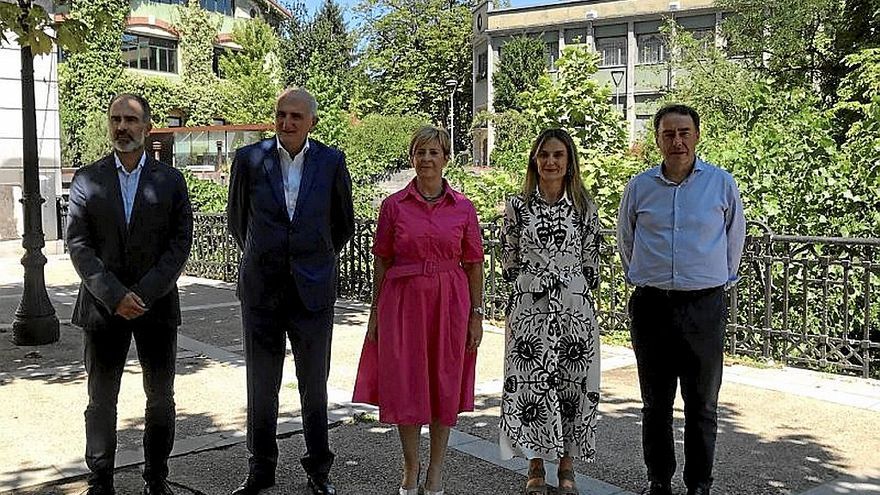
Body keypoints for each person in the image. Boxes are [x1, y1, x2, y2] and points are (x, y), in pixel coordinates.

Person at [226, 87, 355, 495]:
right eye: (281, 114)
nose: (286, 123)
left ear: (312, 122)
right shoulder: (249, 159)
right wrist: (265, 258)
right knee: (261, 384)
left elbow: (343, 225)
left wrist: (311, 262)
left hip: (312, 292)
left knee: (313, 386)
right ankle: (260, 468)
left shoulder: (331, 162)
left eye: (296, 116)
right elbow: (236, 221)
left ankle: (319, 470)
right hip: (262, 290)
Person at [66, 93, 193, 495]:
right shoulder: (87, 179)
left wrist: (145, 293)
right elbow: (79, 244)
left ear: (147, 126)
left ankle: (156, 479)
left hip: (155, 307)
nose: (122, 127)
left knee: (160, 399)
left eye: (131, 120)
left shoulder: (170, 181)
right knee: (101, 401)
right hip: (103, 309)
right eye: (116, 119)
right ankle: (100, 481)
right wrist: (114, 294)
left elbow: (179, 242)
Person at [617, 104, 746, 495]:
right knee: (655, 404)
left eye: (684, 132)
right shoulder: (639, 188)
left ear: (697, 136)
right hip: (652, 306)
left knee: (702, 404)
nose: (677, 141)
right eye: (669, 133)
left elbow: (733, 241)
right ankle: (659, 480)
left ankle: (699, 484)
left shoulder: (721, 184)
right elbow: (627, 240)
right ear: (657, 139)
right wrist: (648, 276)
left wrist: (712, 280)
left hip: (703, 307)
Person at [352, 126, 484, 495]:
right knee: (406, 383)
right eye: (420, 152)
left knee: (445, 382)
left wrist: (476, 313)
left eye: (433, 152)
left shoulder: (463, 207)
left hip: (450, 302)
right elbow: (381, 259)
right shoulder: (393, 205)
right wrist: (376, 310)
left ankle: (436, 470)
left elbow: (474, 263)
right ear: (412, 158)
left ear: (446, 158)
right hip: (403, 302)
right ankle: (411, 467)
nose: (426, 159)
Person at [499, 128, 602, 495]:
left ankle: (568, 467)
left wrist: (575, 292)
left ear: (569, 161)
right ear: (534, 160)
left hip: (574, 307)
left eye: (558, 155)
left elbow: (593, 260)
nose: (551, 162)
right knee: (533, 385)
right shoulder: (517, 205)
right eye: (544, 155)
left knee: (573, 384)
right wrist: (528, 288)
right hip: (531, 307)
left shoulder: (584, 206)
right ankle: (535, 464)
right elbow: (508, 257)